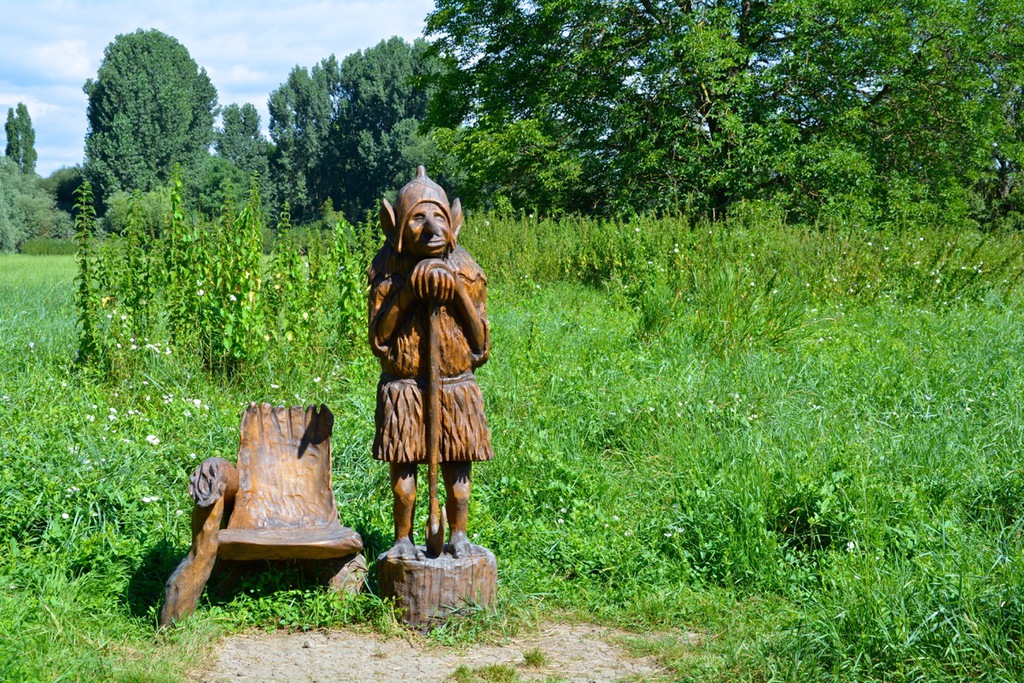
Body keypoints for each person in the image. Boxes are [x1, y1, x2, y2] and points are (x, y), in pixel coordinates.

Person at [368, 166, 492, 559]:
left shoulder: (467, 272)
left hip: (455, 387)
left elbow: (480, 343)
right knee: (404, 474)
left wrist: (456, 292)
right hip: (405, 389)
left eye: (438, 216)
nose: (431, 228)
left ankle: (458, 534)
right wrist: (406, 294)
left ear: (453, 223)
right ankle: (403, 538)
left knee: (458, 473)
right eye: (418, 218)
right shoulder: (387, 273)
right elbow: (379, 340)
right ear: (396, 227)